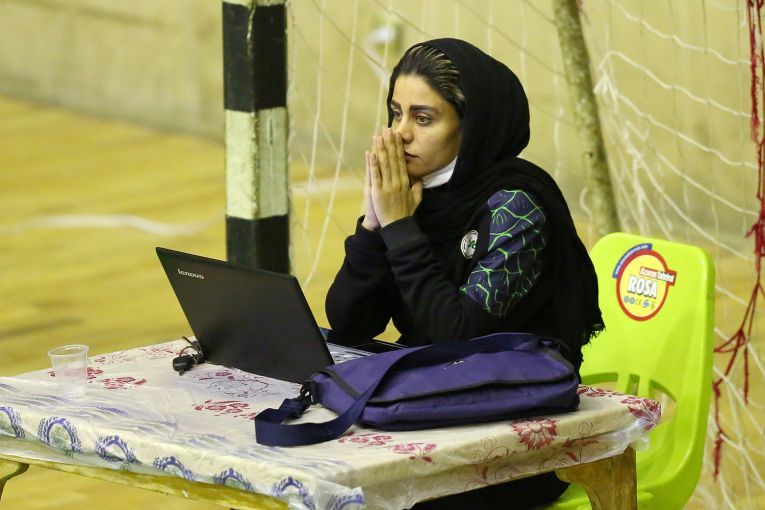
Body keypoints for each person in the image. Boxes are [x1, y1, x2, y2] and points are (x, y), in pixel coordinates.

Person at [325, 38, 604, 509]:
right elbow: (351, 322)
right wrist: (373, 225)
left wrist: (400, 228)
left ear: (470, 127)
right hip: (430, 407)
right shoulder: (415, 196)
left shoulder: (516, 205)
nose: (400, 134)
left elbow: (458, 338)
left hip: (515, 438)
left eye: (423, 119)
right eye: (396, 113)